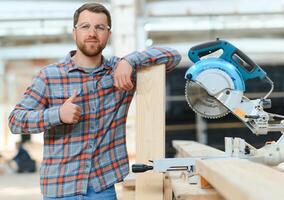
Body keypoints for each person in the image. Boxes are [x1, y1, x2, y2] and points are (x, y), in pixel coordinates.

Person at [8, 2, 181, 200]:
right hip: (60, 190)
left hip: (102, 190)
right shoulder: (49, 76)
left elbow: (172, 56)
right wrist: (57, 114)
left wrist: (130, 60)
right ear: (74, 32)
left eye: (100, 27)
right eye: (85, 26)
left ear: (109, 34)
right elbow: (15, 121)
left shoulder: (120, 73)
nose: (92, 33)